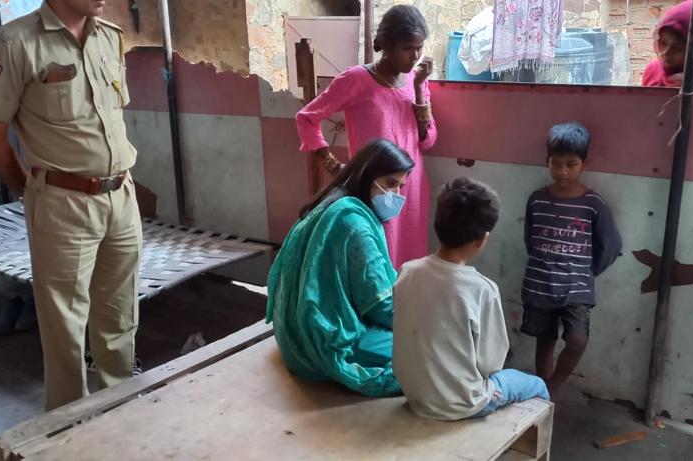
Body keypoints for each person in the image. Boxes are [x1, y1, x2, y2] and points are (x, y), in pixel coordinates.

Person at [0, 0, 141, 411]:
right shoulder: (15, 44)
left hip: (121, 195)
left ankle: (119, 410)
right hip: (63, 202)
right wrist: (27, 187)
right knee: (64, 325)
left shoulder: (109, 36)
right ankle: (67, 426)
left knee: (119, 316)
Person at [266, 139, 414, 397]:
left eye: (401, 186)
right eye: (390, 183)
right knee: (429, 351)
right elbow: (380, 306)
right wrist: (427, 322)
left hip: (292, 333)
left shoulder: (333, 203)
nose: (396, 195)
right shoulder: (355, 225)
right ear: (367, 175)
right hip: (320, 344)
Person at [394, 178, 549, 421]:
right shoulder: (482, 290)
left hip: (414, 395)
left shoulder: (407, 271)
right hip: (464, 404)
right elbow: (491, 365)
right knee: (537, 384)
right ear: (481, 239)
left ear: (437, 224)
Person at [296, 5, 436, 268]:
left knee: (409, 269)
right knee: (374, 264)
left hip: (411, 190)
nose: (415, 56)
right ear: (386, 45)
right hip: (375, 191)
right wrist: (335, 167)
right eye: (408, 48)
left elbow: (427, 141)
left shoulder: (416, 81)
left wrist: (418, 90)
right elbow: (306, 118)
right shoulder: (356, 80)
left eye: (420, 47)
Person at [521, 122, 622, 396]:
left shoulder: (593, 204)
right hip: (539, 283)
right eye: (556, 164)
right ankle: (541, 391)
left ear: (584, 164)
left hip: (577, 288)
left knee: (577, 340)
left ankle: (551, 389)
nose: (562, 171)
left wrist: (587, 273)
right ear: (547, 162)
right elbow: (531, 240)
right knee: (545, 339)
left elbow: (611, 245)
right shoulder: (536, 200)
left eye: (570, 164)